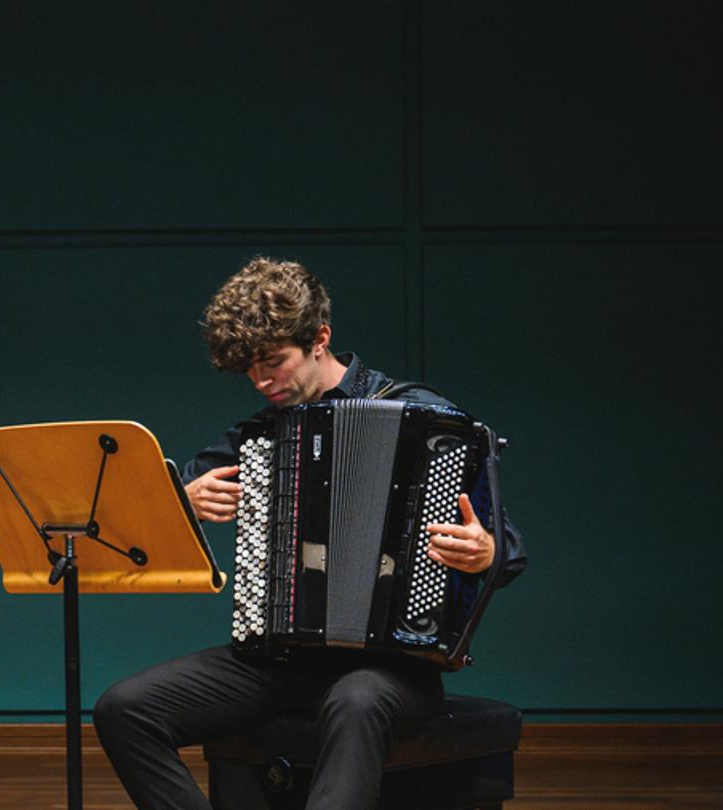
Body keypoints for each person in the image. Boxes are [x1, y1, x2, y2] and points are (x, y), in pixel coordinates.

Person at [93, 257, 527, 809]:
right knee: (124, 708)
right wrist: (186, 501)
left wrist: (484, 551)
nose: (261, 381)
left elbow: (507, 547)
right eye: (249, 369)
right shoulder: (260, 435)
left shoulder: (423, 418)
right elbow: (150, 506)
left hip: (389, 666)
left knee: (355, 701)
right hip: (276, 661)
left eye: (273, 362)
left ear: (320, 338)